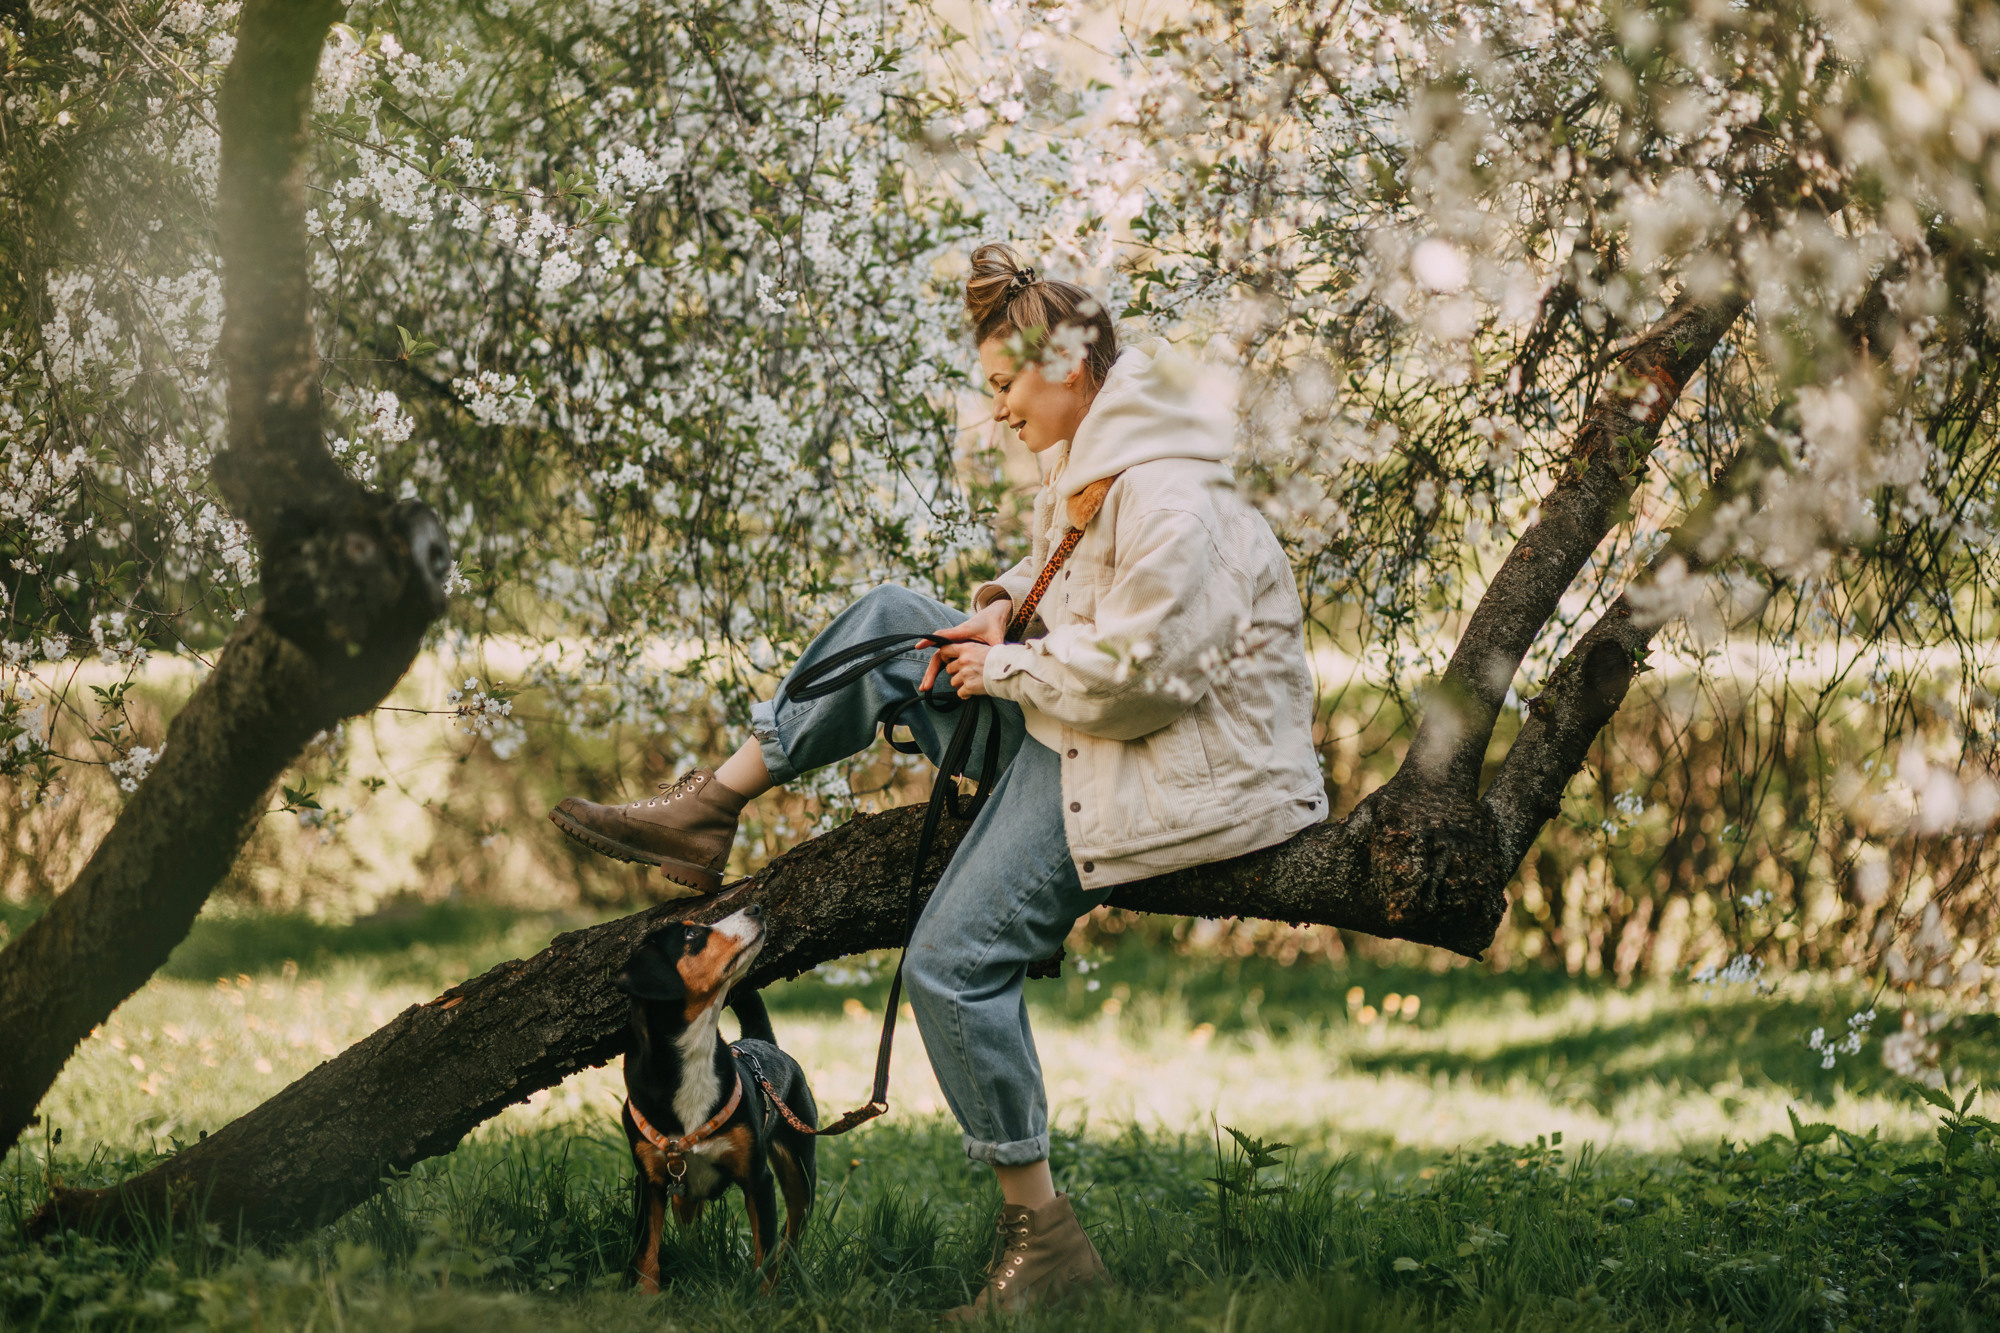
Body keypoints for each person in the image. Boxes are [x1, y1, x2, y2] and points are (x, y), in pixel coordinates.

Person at [550, 242, 1326, 1317]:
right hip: (1081, 722)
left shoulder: (1166, 494)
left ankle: (1042, 1235)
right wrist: (1005, 605)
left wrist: (1002, 666)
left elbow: (1149, 677)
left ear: (1065, 366)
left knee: (950, 965)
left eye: (1005, 386)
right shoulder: (1106, 458)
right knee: (886, 618)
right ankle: (711, 805)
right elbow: (1071, 574)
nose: (998, 411)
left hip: (1151, 760)